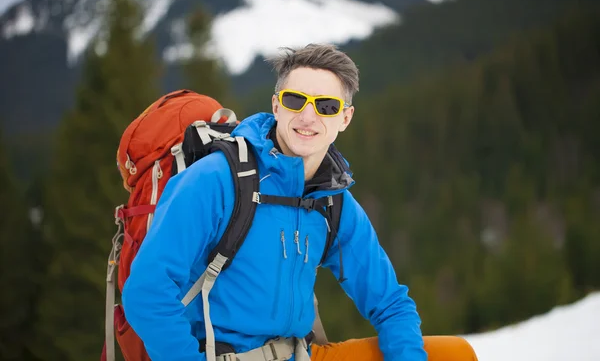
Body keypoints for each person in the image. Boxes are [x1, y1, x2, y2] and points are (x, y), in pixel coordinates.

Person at [122, 43, 478, 361]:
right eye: (296, 100)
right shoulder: (217, 179)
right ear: (277, 106)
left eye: (326, 106)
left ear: (345, 118)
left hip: (301, 354)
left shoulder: (333, 201)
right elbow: (146, 292)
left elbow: (390, 305)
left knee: (455, 355)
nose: (308, 117)